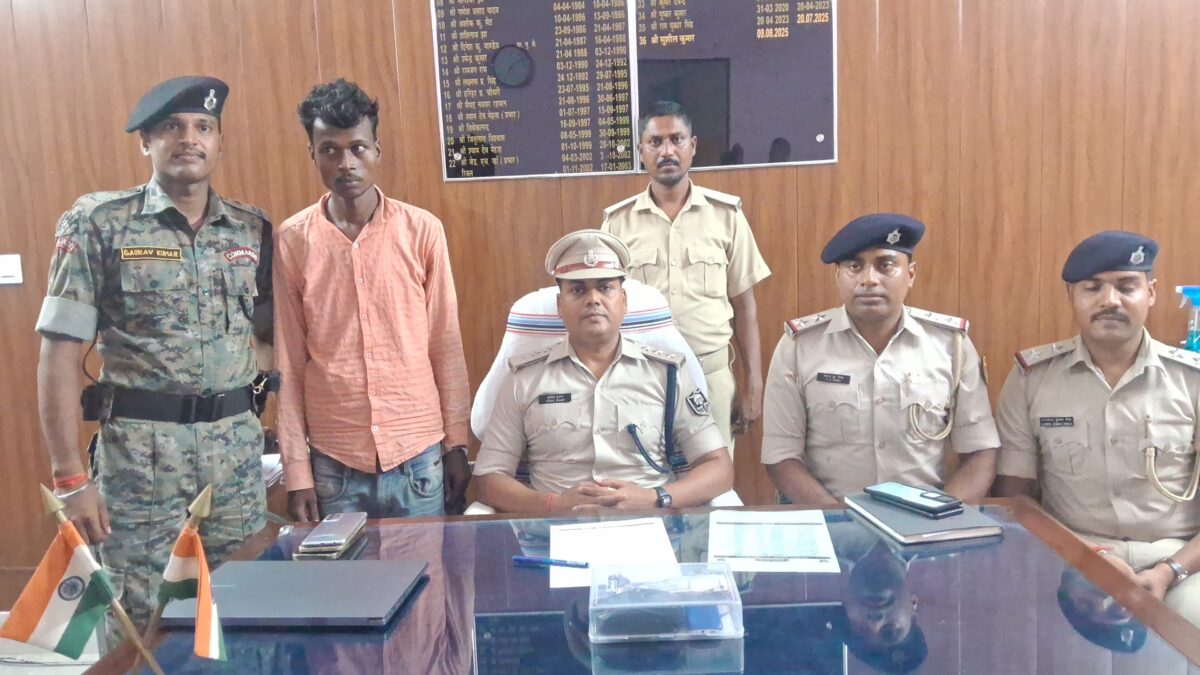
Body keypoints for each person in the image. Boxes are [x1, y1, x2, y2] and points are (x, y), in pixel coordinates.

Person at [34, 76, 273, 632]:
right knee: (140, 623)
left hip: (234, 465)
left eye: (203, 127)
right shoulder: (100, 223)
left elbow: (266, 338)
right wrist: (71, 479)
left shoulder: (251, 229)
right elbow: (59, 353)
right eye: (171, 127)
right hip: (141, 465)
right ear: (146, 141)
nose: (189, 139)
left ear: (219, 141)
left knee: (244, 614)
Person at [275, 79, 471, 520]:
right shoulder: (293, 240)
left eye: (357, 148)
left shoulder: (422, 231)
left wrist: (456, 444)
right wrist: (297, 472)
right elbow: (288, 360)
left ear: (377, 151)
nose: (346, 164)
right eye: (329, 150)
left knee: (427, 568)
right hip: (335, 464)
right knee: (343, 571)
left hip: (418, 458)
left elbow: (445, 343)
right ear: (312, 155)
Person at [994, 231, 1200, 625]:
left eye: (1126, 286)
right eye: (1093, 288)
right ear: (1071, 295)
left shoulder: (1192, 379)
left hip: (1180, 562)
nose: (1110, 301)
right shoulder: (1031, 379)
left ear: (1151, 293)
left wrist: (1168, 572)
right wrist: (1089, 557)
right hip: (1074, 555)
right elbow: (1015, 497)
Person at [473, 230, 734, 513]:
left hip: (647, 529)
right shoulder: (524, 379)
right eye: (578, 290)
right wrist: (553, 504)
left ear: (624, 301)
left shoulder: (668, 374)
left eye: (605, 287)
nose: (593, 299)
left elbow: (718, 468)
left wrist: (655, 497)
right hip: (552, 532)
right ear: (560, 305)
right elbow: (488, 478)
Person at [761, 213, 999, 505]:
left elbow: (980, 452)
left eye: (885, 265)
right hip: (829, 516)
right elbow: (780, 457)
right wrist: (839, 519)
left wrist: (939, 517)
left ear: (911, 275)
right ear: (837, 276)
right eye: (854, 266)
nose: (869, 279)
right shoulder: (799, 347)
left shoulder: (951, 345)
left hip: (925, 520)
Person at [602, 101, 771, 452]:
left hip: (711, 376)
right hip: (640, 378)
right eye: (655, 142)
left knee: (713, 475)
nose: (667, 151)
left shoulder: (726, 216)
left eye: (676, 139)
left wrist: (753, 383)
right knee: (644, 473)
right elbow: (604, 310)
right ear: (641, 151)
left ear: (692, 146)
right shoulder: (617, 223)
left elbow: (745, 307)